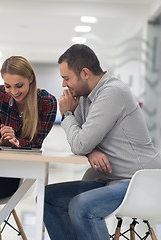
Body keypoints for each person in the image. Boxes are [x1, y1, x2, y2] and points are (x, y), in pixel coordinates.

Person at [44, 44, 161, 240]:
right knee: (48, 198)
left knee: (82, 206)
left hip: (140, 182)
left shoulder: (112, 92)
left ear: (85, 73)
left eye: (66, 78)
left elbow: (80, 143)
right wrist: (91, 150)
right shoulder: (84, 97)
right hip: (111, 180)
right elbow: (82, 140)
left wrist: (67, 114)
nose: (64, 85)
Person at [0, 55, 57, 228]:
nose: (13, 91)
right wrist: (1, 142)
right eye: (8, 86)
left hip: (15, 175)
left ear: (31, 79)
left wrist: (15, 142)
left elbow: (36, 143)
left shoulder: (46, 102)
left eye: (19, 86)